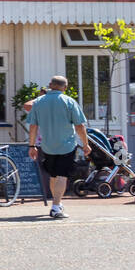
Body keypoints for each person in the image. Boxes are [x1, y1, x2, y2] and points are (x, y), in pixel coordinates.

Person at [26, 74, 91, 219]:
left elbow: (33, 126)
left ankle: (57, 202)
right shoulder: (69, 101)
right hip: (66, 145)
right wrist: (85, 144)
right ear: (65, 87)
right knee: (62, 175)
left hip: (47, 145)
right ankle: (56, 208)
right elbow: (79, 126)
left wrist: (32, 145)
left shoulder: (39, 102)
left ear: (50, 85)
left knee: (53, 176)